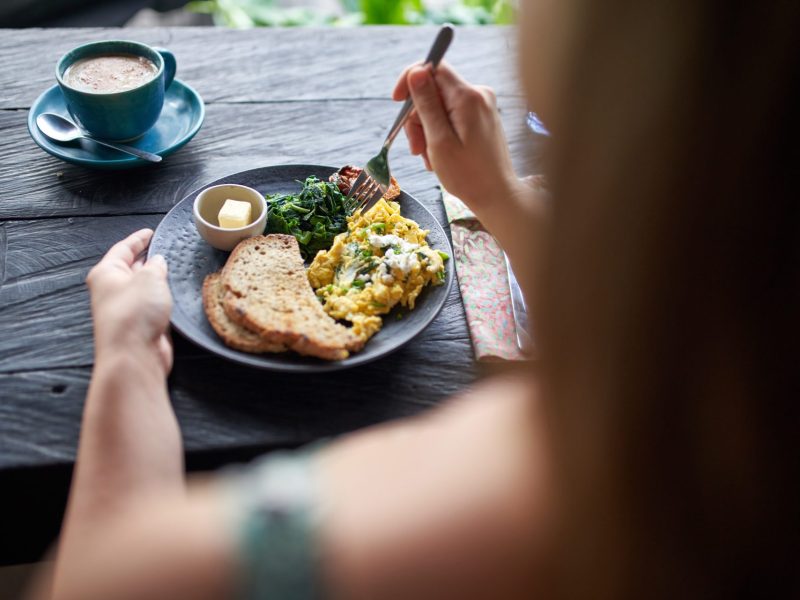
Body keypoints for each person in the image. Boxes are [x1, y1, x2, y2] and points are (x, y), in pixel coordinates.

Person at [28, 0, 799, 597]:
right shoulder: (732, 404)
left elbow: (102, 576)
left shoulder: (529, 481)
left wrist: (128, 355)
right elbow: (647, 319)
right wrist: (495, 193)